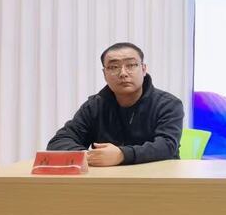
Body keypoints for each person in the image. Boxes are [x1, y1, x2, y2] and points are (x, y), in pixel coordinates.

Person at [47, 42, 184, 166]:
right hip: (107, 180)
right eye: (113, 67)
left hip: (157, 178)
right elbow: (59, 141)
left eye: (131, 65)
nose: (123, 73)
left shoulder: (168, 104)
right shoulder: (94, 106)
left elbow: (167, 146)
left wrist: (122, 155)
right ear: (104, 74)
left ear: (143, 69)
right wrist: (88, 156)